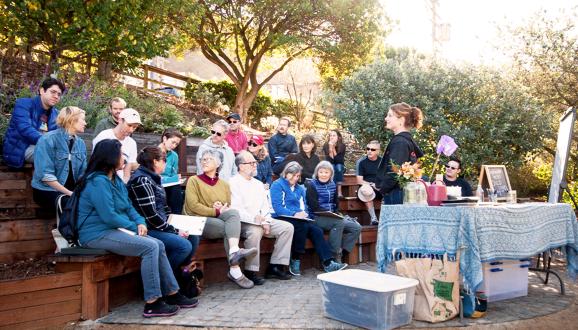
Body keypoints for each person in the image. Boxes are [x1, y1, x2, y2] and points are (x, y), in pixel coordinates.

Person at [77, 139, 197, 318]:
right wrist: (134, 226)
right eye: (120, 154)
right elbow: (108, 216)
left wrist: (140, 222)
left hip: (114, 230)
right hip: (95, 233)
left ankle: (172, 293)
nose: (124, 158)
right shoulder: (97, 182)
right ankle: (152, 302)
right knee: (150, 246)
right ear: (110, 157)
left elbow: (128, 207)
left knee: (158, 244)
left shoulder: (115, 180)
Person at [184, 149, 258, 289]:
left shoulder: (224, 184)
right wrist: (215, 209)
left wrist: (220, 206)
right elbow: (193, 206)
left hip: (214, 219)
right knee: (228, 229)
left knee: (233, 213)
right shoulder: (193, 181)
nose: (204, 161)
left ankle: (234, 252)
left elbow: (227, 205)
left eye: (208, 159)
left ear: (218, 163)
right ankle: (235, 268)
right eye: (203, 159)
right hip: (196, 220)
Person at [127, 146, 200, 287]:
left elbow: (164, 207)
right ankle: (165, 283)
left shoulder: (154, 178)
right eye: (164, 160)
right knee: (183, 245)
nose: (165, 164)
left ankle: (179, 276)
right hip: (147, 228)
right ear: (155, 161)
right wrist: (174, 230)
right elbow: (151, 216)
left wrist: (176, 222)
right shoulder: (142, 180)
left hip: (160, 224)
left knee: (193, 235)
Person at [270, 161, 347, 276]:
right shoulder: (277, 185)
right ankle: (295, 258)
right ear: (286, 174)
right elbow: (278, 208)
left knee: (317, 230)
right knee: (302, 226)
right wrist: (294, 214)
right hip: (281, 217)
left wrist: (304, 214)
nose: (295, 178)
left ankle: (328, 263)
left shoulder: (299, 188)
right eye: (292, 175)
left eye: (297, 176)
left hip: (299, 218)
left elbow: (304, 206)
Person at [230, 151, 294, 284]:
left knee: (287, 227)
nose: (255, 165)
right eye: (251, 163)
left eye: (255, 162)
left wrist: (265, 221)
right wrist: (256, 219)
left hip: (261, 220)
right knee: (255, 231)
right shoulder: (232, 183)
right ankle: (250, 271)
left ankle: (275, 266)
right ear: (241, 166)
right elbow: (235, 210)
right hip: (242, 222)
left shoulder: (258, 184)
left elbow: (265, 208)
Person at [31, 106, 87, 213]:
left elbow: (82, 174)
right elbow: (46, 176)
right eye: (83, 120)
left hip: (70, 190)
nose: (85, 123)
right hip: (47, 190)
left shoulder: (80, 143)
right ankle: (63, 229)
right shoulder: (47, 140)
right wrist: (70, 194)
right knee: (75, 206)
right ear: (71, 120)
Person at [305, 161, 361, 262]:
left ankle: (342, 252)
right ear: (317, 173)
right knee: (339, 223)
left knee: (356, 227)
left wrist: (336, 213)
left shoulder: (332, 184)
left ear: (331, 174)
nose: (323, 175)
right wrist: (329, 213)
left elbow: (336, 203)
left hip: (332, 216)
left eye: (326, 172)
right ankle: (333, 255)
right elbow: (314, 207)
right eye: (321, 172)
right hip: (316, 217)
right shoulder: (312, 185)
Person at [3, 78, 65, 168]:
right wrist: (48, 142)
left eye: (59, 94)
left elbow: (57, 135)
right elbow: (25, 128)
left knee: (67, 153)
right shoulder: (24, 104)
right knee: (57, 156)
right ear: (42, 91)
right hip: (20, 148)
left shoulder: (55, 114)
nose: (56, 96)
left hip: (43, 147)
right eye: (53, 92)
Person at [376, 102, 424, 205]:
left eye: (390, 115)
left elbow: (394, 171)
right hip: (401, 192)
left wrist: (381, 192)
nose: (386, 118)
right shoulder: (405, 140)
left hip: (396, 194)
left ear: (401, 120)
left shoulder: (400, 142)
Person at [93, 108, 141, 183]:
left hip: (120, 183)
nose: (131, 130)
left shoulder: (132, 143)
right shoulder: (104, 136)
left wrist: (124, 185)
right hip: (101, 181)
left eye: (135, 127)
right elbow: (96, 163)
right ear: (120, 120)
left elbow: (127, 170)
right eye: (129, 125)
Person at [355, 140, 383, 225]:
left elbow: (386, 177)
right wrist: (371, 184)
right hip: (366, 187)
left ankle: (383, 218)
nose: (369, 151)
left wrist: (378, 185)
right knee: (367, 190)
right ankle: (374, 218)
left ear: (378, 151)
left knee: (389, 190)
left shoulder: (382, 162)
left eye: (373, 149)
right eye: (368, 149)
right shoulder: (361, 162)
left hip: (379, 187)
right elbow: (359, 180)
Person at [158, 128, 185, 214]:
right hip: (155, 184)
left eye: (176, 144)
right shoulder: (153, 152)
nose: (174, 146)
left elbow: (173, 174)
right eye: (172, 142)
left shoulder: (174, 156)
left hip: (168, 185)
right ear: (165, 139)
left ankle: (176, 218)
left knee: (176, 189)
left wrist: (176, 178)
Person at [322, 130, 346, 198]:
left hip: (340, 166)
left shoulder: (342, 146)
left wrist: (333, 148)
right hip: (330, 164)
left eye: (334, 135)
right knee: (332, 167)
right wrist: (330, 147)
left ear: (338, 137)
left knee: (338, 167)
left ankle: (339, 191)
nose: (332, 137)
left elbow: (338, 160)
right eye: (330, 135)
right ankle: (333, 191)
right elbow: (331, 160)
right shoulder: (326, 145)